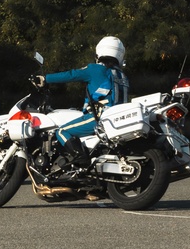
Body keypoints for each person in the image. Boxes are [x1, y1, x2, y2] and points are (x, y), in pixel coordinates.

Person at [32, 36, 130, 167]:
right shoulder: (123, 76)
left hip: (99, 117)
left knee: (61, 131)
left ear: (99, 52)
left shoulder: (96, 69)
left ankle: (81, 158)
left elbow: (71, 75)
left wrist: (46, 79)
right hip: (116, 119)